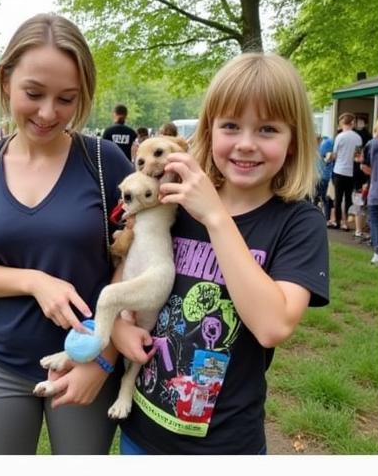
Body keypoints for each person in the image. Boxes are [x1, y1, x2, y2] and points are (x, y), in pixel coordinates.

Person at [113, 53, 328, 454]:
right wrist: (118, 327)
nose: (246, 144)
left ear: (293, 139)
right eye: (231, 126)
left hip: (227, 443)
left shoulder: (299, 223)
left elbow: (272, 326)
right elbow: (127, 269)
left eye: (267, 129)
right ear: (209, 131)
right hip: (143, 430)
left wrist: (215, 215)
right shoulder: (172, 203)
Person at [0, 13, 132, 454]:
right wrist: (33, 281)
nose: (48, 113)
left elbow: (137, 262)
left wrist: (103, 359)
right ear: (6, 79)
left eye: (66, 99)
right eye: (33, 93)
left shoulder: (105, 163)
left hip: (86, 363)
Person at [328, 112, 362, 231]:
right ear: (352, 123)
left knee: (338, 198)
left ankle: (337, 222)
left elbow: (335, 154)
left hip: (339, 170)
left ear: (343, 123)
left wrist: (328, 157)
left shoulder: (340, 137)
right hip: (351, 171)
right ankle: (345, 222)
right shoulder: (358, 138)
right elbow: (357, 156)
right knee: (348, 198)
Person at [362, 117, 378, 265]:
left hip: (376, 191)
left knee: (375, 222)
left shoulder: (372, 144)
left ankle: (377, 253)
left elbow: (365, 167)